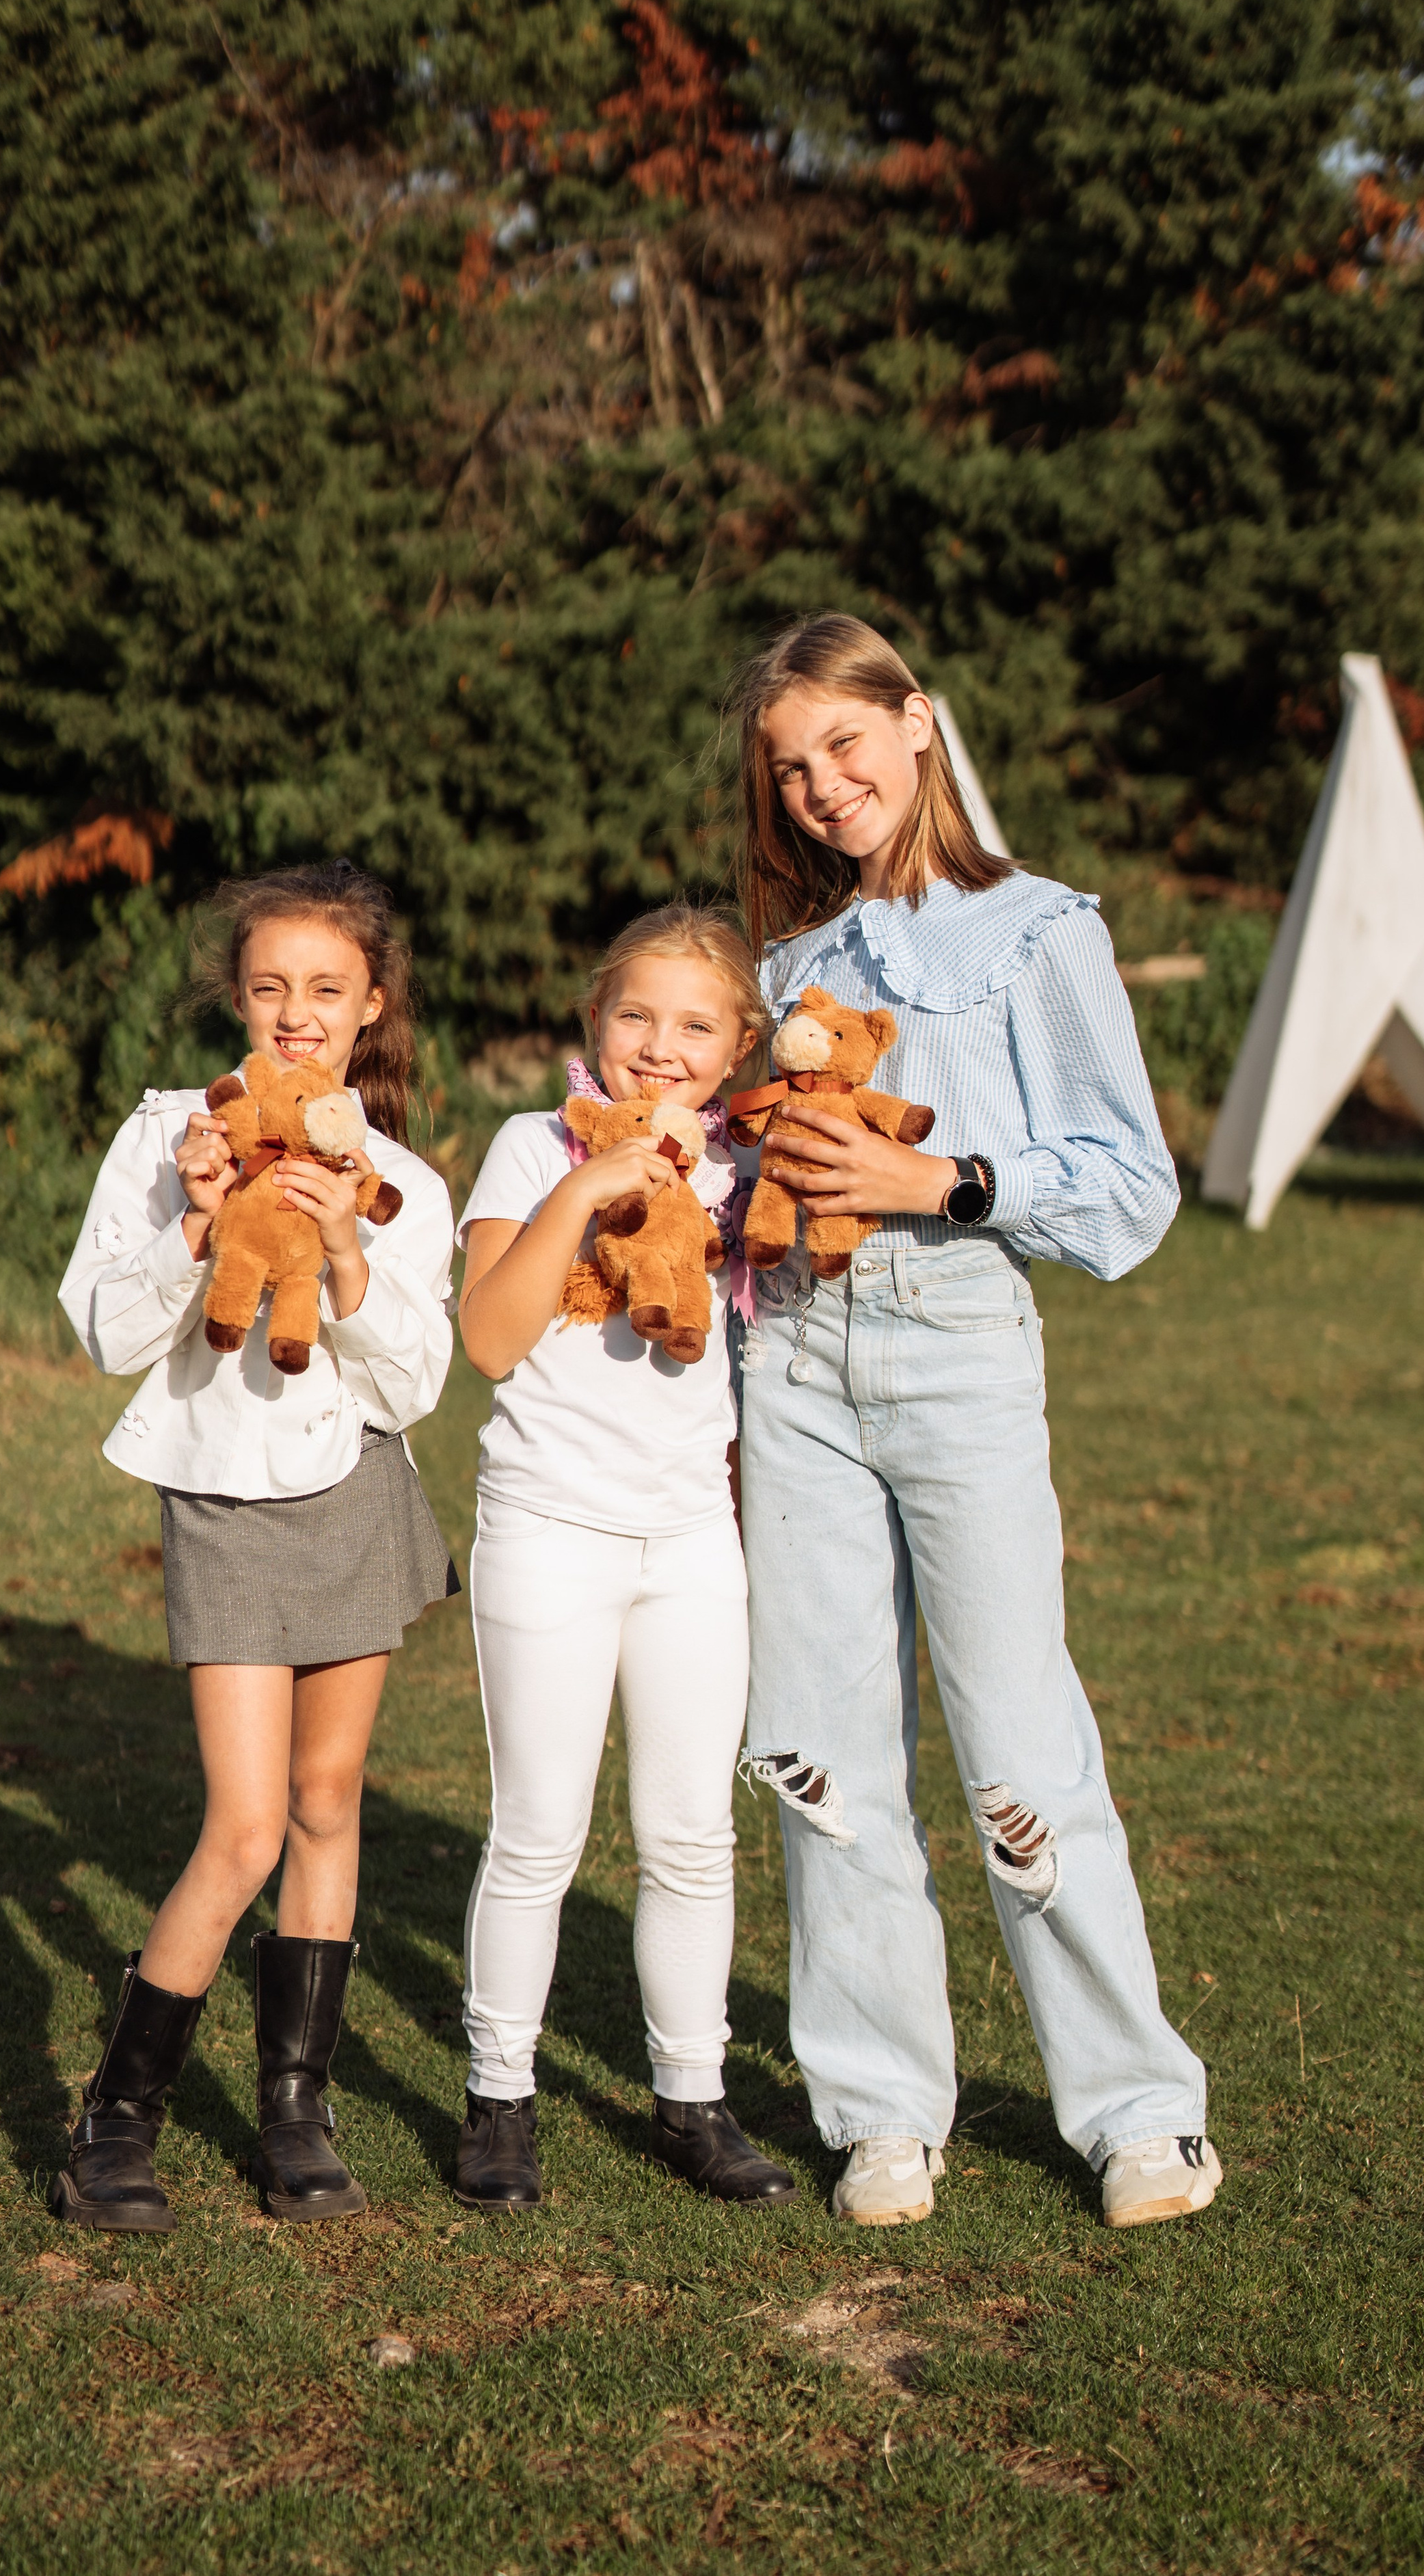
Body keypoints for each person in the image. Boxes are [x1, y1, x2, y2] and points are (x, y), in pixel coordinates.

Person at [729, 615, 1221, 2233]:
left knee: (1018, 1744)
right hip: (791, 1362)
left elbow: (1132, 1186)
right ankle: (879, 2110)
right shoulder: (784, 970)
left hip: (956, 1350)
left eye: (840, 744)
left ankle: (1136, 2113)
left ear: (916, 723)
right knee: (819, 1750)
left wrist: (937, 1177)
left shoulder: (1036, 933)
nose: (819, 785)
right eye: (787, 768)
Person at [53, 863, 456, 2231]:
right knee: (243, 1826)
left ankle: (296, 2114)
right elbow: (108, 1334)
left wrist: (344, 1256)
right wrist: (195, 1221)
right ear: (237, 994)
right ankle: (115, 2122)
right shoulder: (168, 1134)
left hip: (353, 1491)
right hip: (221, 1497)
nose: (296, 1015)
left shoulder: (400, 1182)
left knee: (327, 1801)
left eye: (326, 990)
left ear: (371, 1006)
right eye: (271, 986)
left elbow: (413, 1385)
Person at [452, 903, 796, 2214]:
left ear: (738, 1046)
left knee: (691, 1836)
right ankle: (499, 2100)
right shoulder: (531, 1145)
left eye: (696, 1026)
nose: (662, 1047)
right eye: (637, 1015)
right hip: (549, 1529)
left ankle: (693, 2101)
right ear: (595, 1020)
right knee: (539, 1834)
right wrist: (587, 1190)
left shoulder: (745, 1170)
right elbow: (489, 1338)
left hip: (691, 1541)